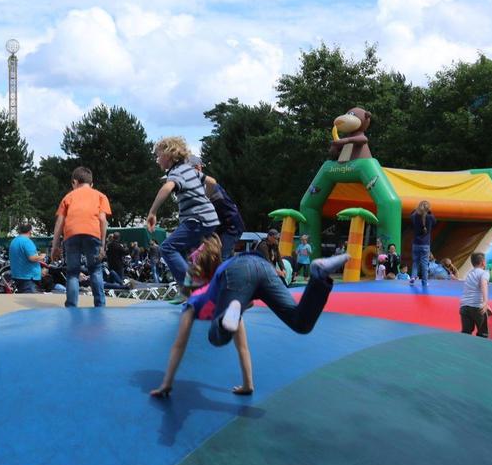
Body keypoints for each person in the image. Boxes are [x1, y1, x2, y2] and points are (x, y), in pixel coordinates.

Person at [150, 235, 349, 397]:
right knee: (300, 323)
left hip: (238, 275)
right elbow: (242, 347)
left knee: (216, 337)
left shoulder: (193, 303)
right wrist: (248, 385)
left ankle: (227, 317)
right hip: (261, 266)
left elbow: (179, 345)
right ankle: (319, 275)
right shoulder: (230, 299)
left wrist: (166, 384)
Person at [147, 137, 219, 286]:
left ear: (168, 156)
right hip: (209, 219)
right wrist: (206, 199)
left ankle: (189, 286)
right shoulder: (189, 170)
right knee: (188, 255)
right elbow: (212, 182)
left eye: (158, 156)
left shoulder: (176, 172)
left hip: (197, 219)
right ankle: (204, 285)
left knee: (167, 248)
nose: (157, 160)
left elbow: (167, 188)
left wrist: (152, 212)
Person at [51, 167, 111, 307]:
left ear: (74, 182)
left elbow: (60, 222)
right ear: (92, 184)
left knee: (72, 272)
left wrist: (55, 246)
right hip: (93, 233)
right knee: (95, 269)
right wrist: (102, 245)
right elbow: (102, 220)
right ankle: (99, 304)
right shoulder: (100, 196)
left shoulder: (68, 197)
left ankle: (72, 305)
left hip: (71, 234)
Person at [187, 154, 245, 260]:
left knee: (220, 258)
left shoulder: (208, 186)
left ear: (197, 168)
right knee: (211, 258)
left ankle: (225, 274)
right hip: (220, 228)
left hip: (230, 227)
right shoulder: (197, 187)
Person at [459, 252, 491, 338]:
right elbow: (483, 284)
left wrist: (486, 305)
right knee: (483, 333)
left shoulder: (469, 273)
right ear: (483, 262)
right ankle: (480, 350)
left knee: (466, 332)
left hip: (464, 306)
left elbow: (472, 290)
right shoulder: (484, 273)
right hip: (477, 307)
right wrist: (485, 302)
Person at [9, 223, 45, 294]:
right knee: (31, 302)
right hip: (28, 278)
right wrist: (42, 256)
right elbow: (32, 258)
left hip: (18, 276)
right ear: (30, 231)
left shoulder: (14, 241)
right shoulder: (27, 241)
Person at [410, 200, 436, 286]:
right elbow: (435, 221)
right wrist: (429, 211)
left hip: (416, 243)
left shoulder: (414, 216)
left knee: (415, 262)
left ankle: (413, 276)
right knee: (425, 263)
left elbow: (412, 214)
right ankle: (424, 282)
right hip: (425, 244)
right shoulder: (430, 217)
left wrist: (416, 209)